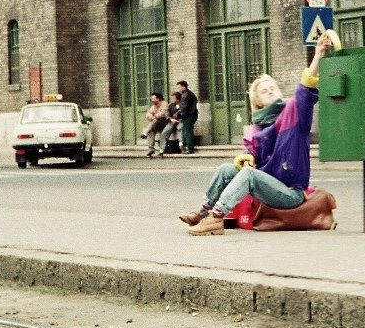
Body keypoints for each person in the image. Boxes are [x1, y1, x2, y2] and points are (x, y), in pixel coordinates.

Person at [178, 31, 334, 236]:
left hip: (290, 193)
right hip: (267, 185)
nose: (270, 91)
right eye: (264, 90)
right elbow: (252, 153)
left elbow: (306, 88)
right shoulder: (258, 128)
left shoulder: (294, 113)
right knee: (227, 169)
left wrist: (318, 54)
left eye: (273, 88)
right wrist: (247, 159)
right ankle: (203, 212)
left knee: (249, 176)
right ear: (258, 101)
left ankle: (216, 218)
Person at [141, 91, 168, 158]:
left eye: (153, 99)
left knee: (155, 120)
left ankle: (145, 133)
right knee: (151, 131)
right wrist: (150, 116)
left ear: (158, 99)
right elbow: (148, 113)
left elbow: (163, 113)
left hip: (164, 123)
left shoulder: (164, 104)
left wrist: (154, 116)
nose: (152, 100)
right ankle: (151, 149)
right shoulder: (154, 106)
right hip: (156, 124)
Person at [175, 79, 198, 153]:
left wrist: (179, 116)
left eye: (179, 87)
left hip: (189, 115)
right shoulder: (190, 93)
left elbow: (184, 108)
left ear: (183, 87)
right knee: (188, 131)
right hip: (192, 114)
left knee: (187, 132)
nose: (178, 89)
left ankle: (190, 148)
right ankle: (189, 147)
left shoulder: (185, 95)